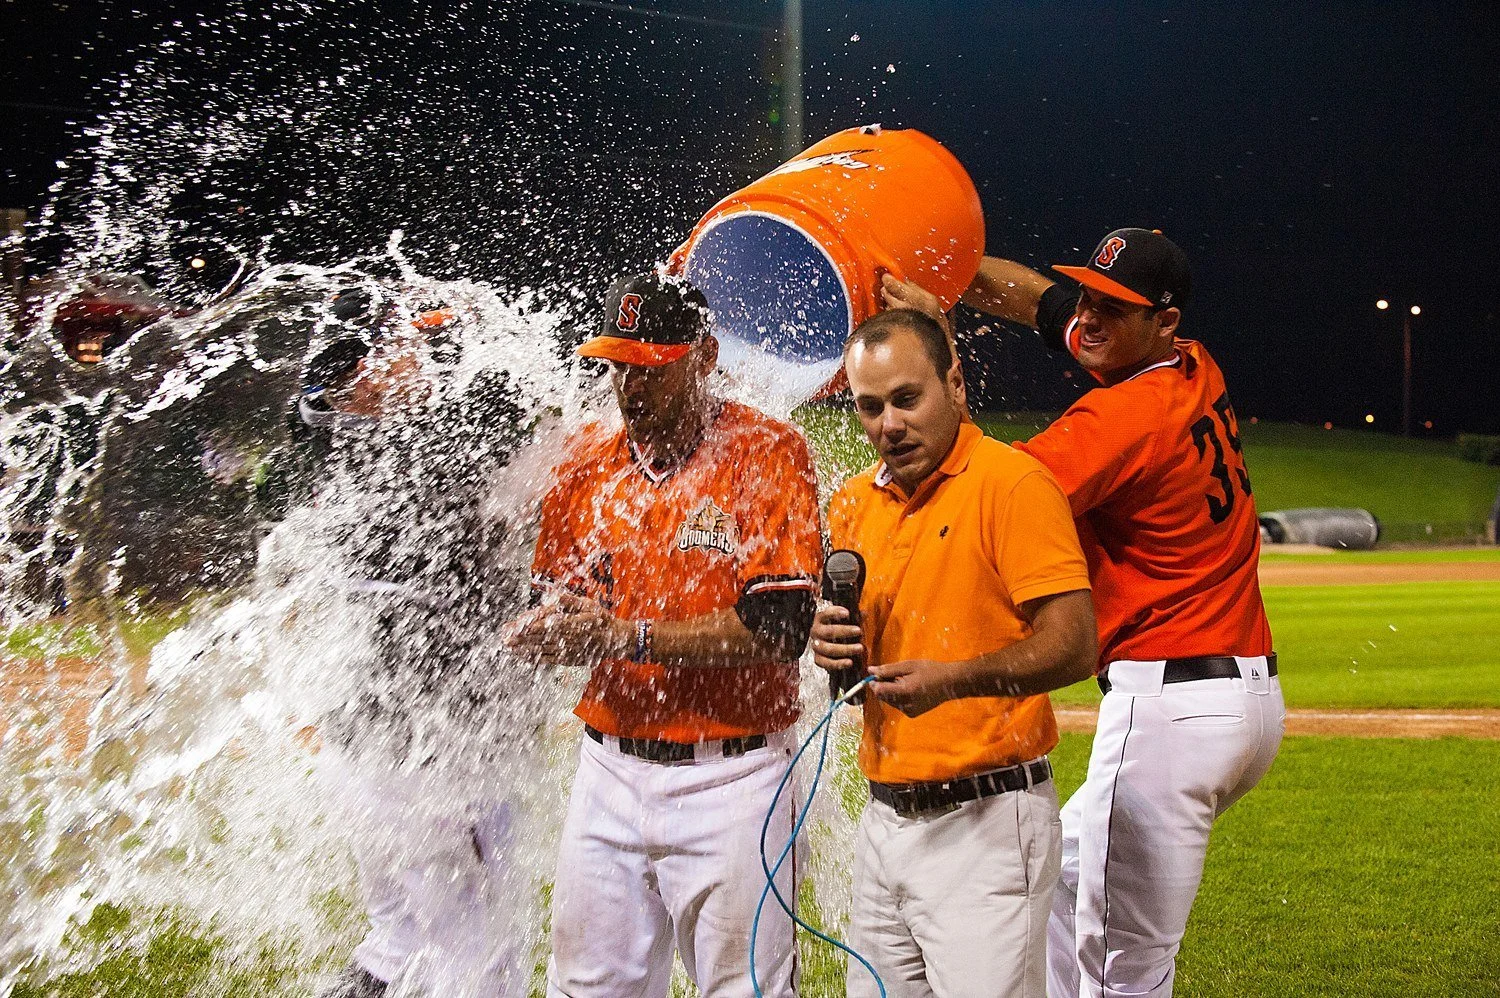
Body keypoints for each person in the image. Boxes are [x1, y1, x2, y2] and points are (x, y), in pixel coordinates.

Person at [888, 228, 1285, 998]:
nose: (1092, 319)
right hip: (1238, 703)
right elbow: (1036, 297)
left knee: (1118, 967)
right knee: (1060, 902)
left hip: (1169, 713)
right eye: (1093, 298)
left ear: (1163, 321)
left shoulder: (1126, 420)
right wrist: (946, 275)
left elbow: (987, 492)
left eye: (1116, 308)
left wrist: (936, 348)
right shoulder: (1193, 364)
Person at [507, 271, 823, 998]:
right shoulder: (584, 463)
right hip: (609, 770)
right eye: (618, 365)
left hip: (735, 776)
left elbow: (779, 629)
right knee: (586, 989)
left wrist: (628, 636)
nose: (630, 387)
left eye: (651, 366)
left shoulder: (767, 452)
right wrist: (546, 630)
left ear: (704, 357)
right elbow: (566, 601)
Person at [808, 307, 1097, 998]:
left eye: (908, 399)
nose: (889, 424)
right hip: (884, 821)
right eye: (869, 407)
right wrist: (825, 640)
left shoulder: (1012, 484)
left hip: (988, 820)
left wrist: (957, 680)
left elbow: (1076, 645)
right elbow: (858, 647)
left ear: (956, 385)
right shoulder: (851, 503)